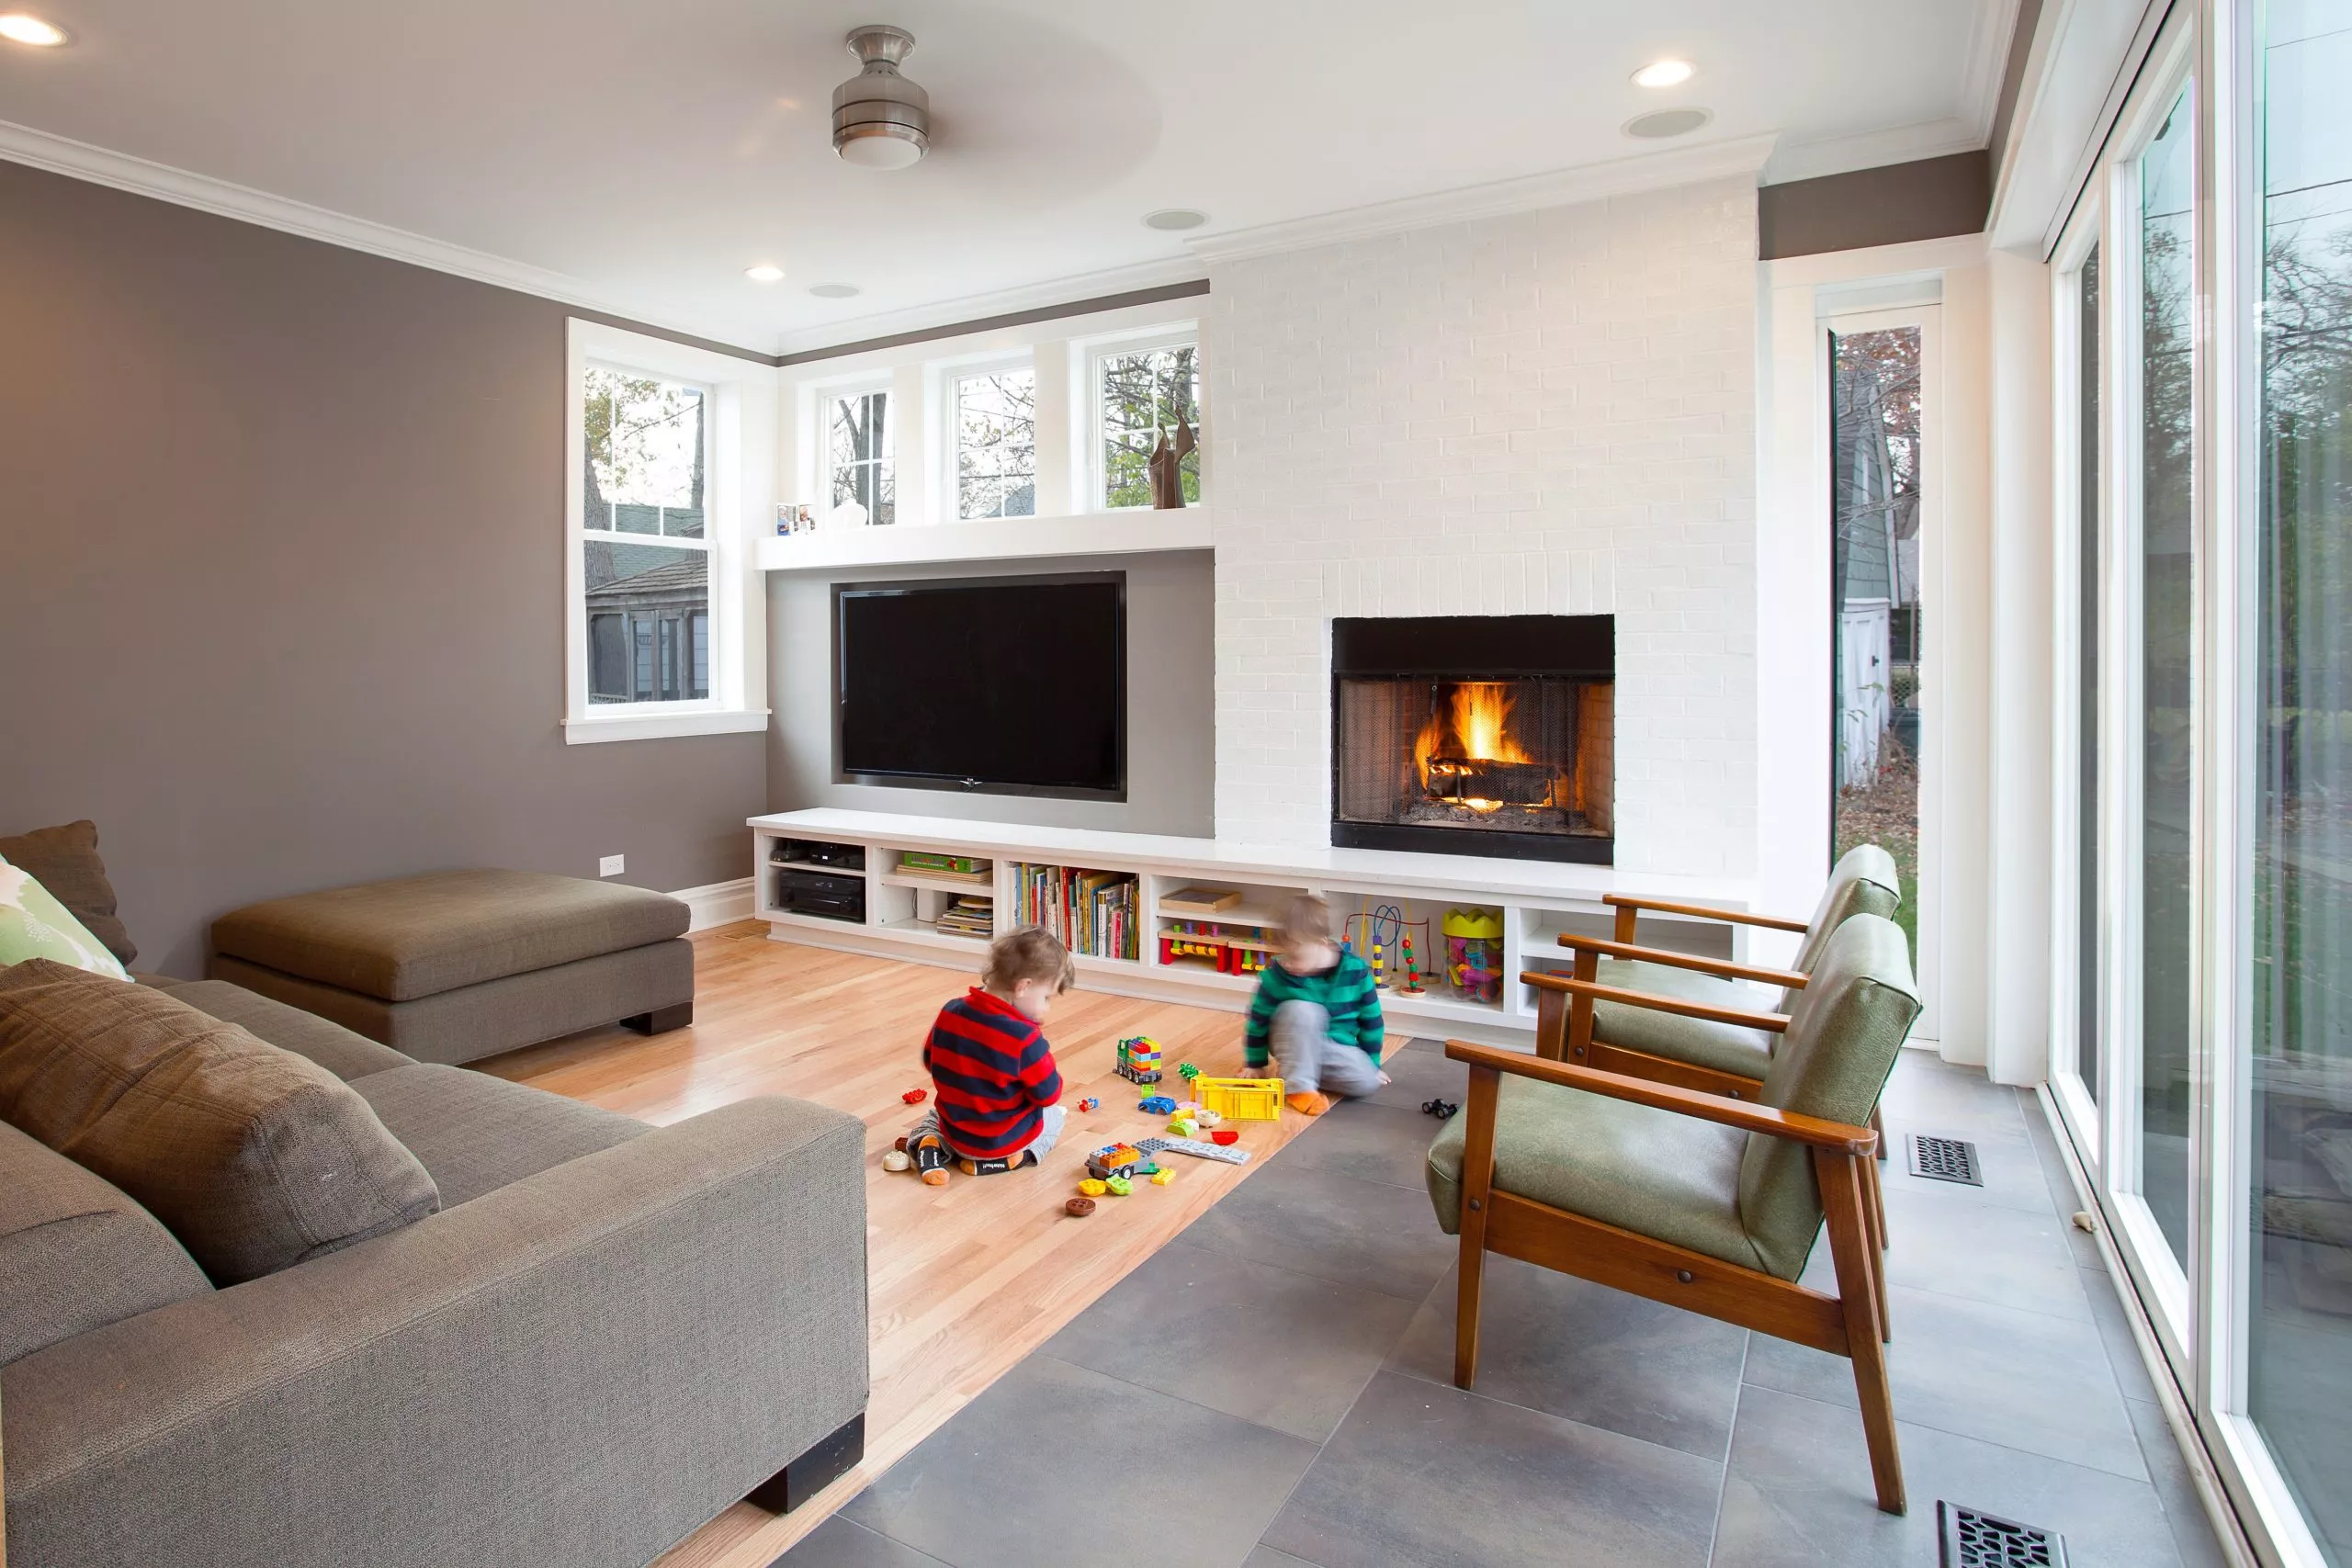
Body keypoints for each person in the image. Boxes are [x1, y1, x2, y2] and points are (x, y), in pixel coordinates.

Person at [906, 924, 1070, 1185]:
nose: (1046, 1008)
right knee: (1055, 1118)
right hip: (1003, 1143)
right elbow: (1048, 1095)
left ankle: (929, 1148)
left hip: (957, 1134)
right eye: (1046, 998)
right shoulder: (1026, 1038)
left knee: (934, 1117)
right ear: (1023, 987)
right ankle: (1010, 1160)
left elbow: (930, 1061)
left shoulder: (951, 1010)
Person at [1242, 894, 1389, 1116]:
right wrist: (1255, 1064)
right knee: (1304, 1011)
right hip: (1291, 1039)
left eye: (1297, 956)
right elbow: (1257, 1022)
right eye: (1286, 955)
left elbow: (1372, 1022)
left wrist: (1373, 1064)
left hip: (1333, 1050)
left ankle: (1298, 1071)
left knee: (1366, 1082)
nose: (1290, 963)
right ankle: (1299, 1087)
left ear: (1322, 942)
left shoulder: (1356, 971)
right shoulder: (1276, 977)